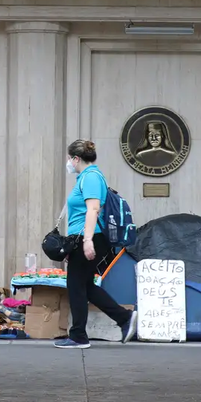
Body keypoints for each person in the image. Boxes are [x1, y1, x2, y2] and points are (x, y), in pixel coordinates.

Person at [55, 139, 138, 349]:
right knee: (85, 285)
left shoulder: (90, 177)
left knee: (75, 285)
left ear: (75, 158)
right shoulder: (87, 177)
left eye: (69, 158)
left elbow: (93, 210)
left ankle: (78, 336)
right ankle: (124, 318)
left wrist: (87, 241)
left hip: (91, 237)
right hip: (86, 238)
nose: (68, 162)